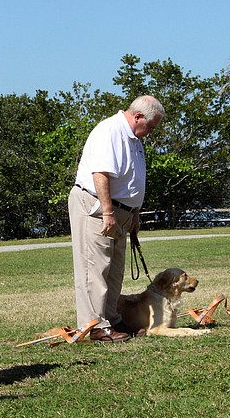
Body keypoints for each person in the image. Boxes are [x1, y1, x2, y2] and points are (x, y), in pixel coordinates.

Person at [69, 95, 165, 342]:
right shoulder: (110, 131)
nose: (151, 132)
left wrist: (134, 213)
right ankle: (95, 325)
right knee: (95, 266)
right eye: (151, 126)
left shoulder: (134, 139)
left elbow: (132, 179)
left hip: (122, 212)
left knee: (114, 269)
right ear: (138, 117)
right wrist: (108, 212)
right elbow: (101, 174)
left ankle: (111, 318)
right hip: (97, 206)